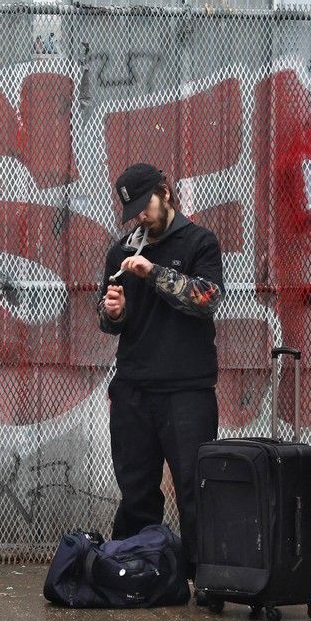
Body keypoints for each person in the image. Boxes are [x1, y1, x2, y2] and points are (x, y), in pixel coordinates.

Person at [97, 162, 224, 578]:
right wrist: (113, 312)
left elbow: (206, 299)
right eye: (132, 210)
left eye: (145, 204)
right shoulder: (122, 251)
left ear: (165, 193)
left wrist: (152, 273)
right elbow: (109, 321)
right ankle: (138, 572)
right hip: (134, 388)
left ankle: (201, 576)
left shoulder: (199, 242)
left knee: (193, 488)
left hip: (187, 391)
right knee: (136, 490)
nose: (141, 216)